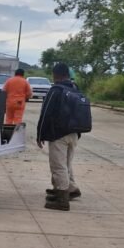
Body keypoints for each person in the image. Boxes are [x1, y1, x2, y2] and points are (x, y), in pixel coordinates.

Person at [36, 62, 83, 211]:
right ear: (68, 75)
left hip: (58, 135)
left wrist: (40, 134)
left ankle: (62, 199)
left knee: (58, 166)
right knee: (67, 164)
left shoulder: (55, 90)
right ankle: (70, 189)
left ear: (55, 75)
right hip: (74, 133)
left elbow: (46, 113)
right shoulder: (75, 89)